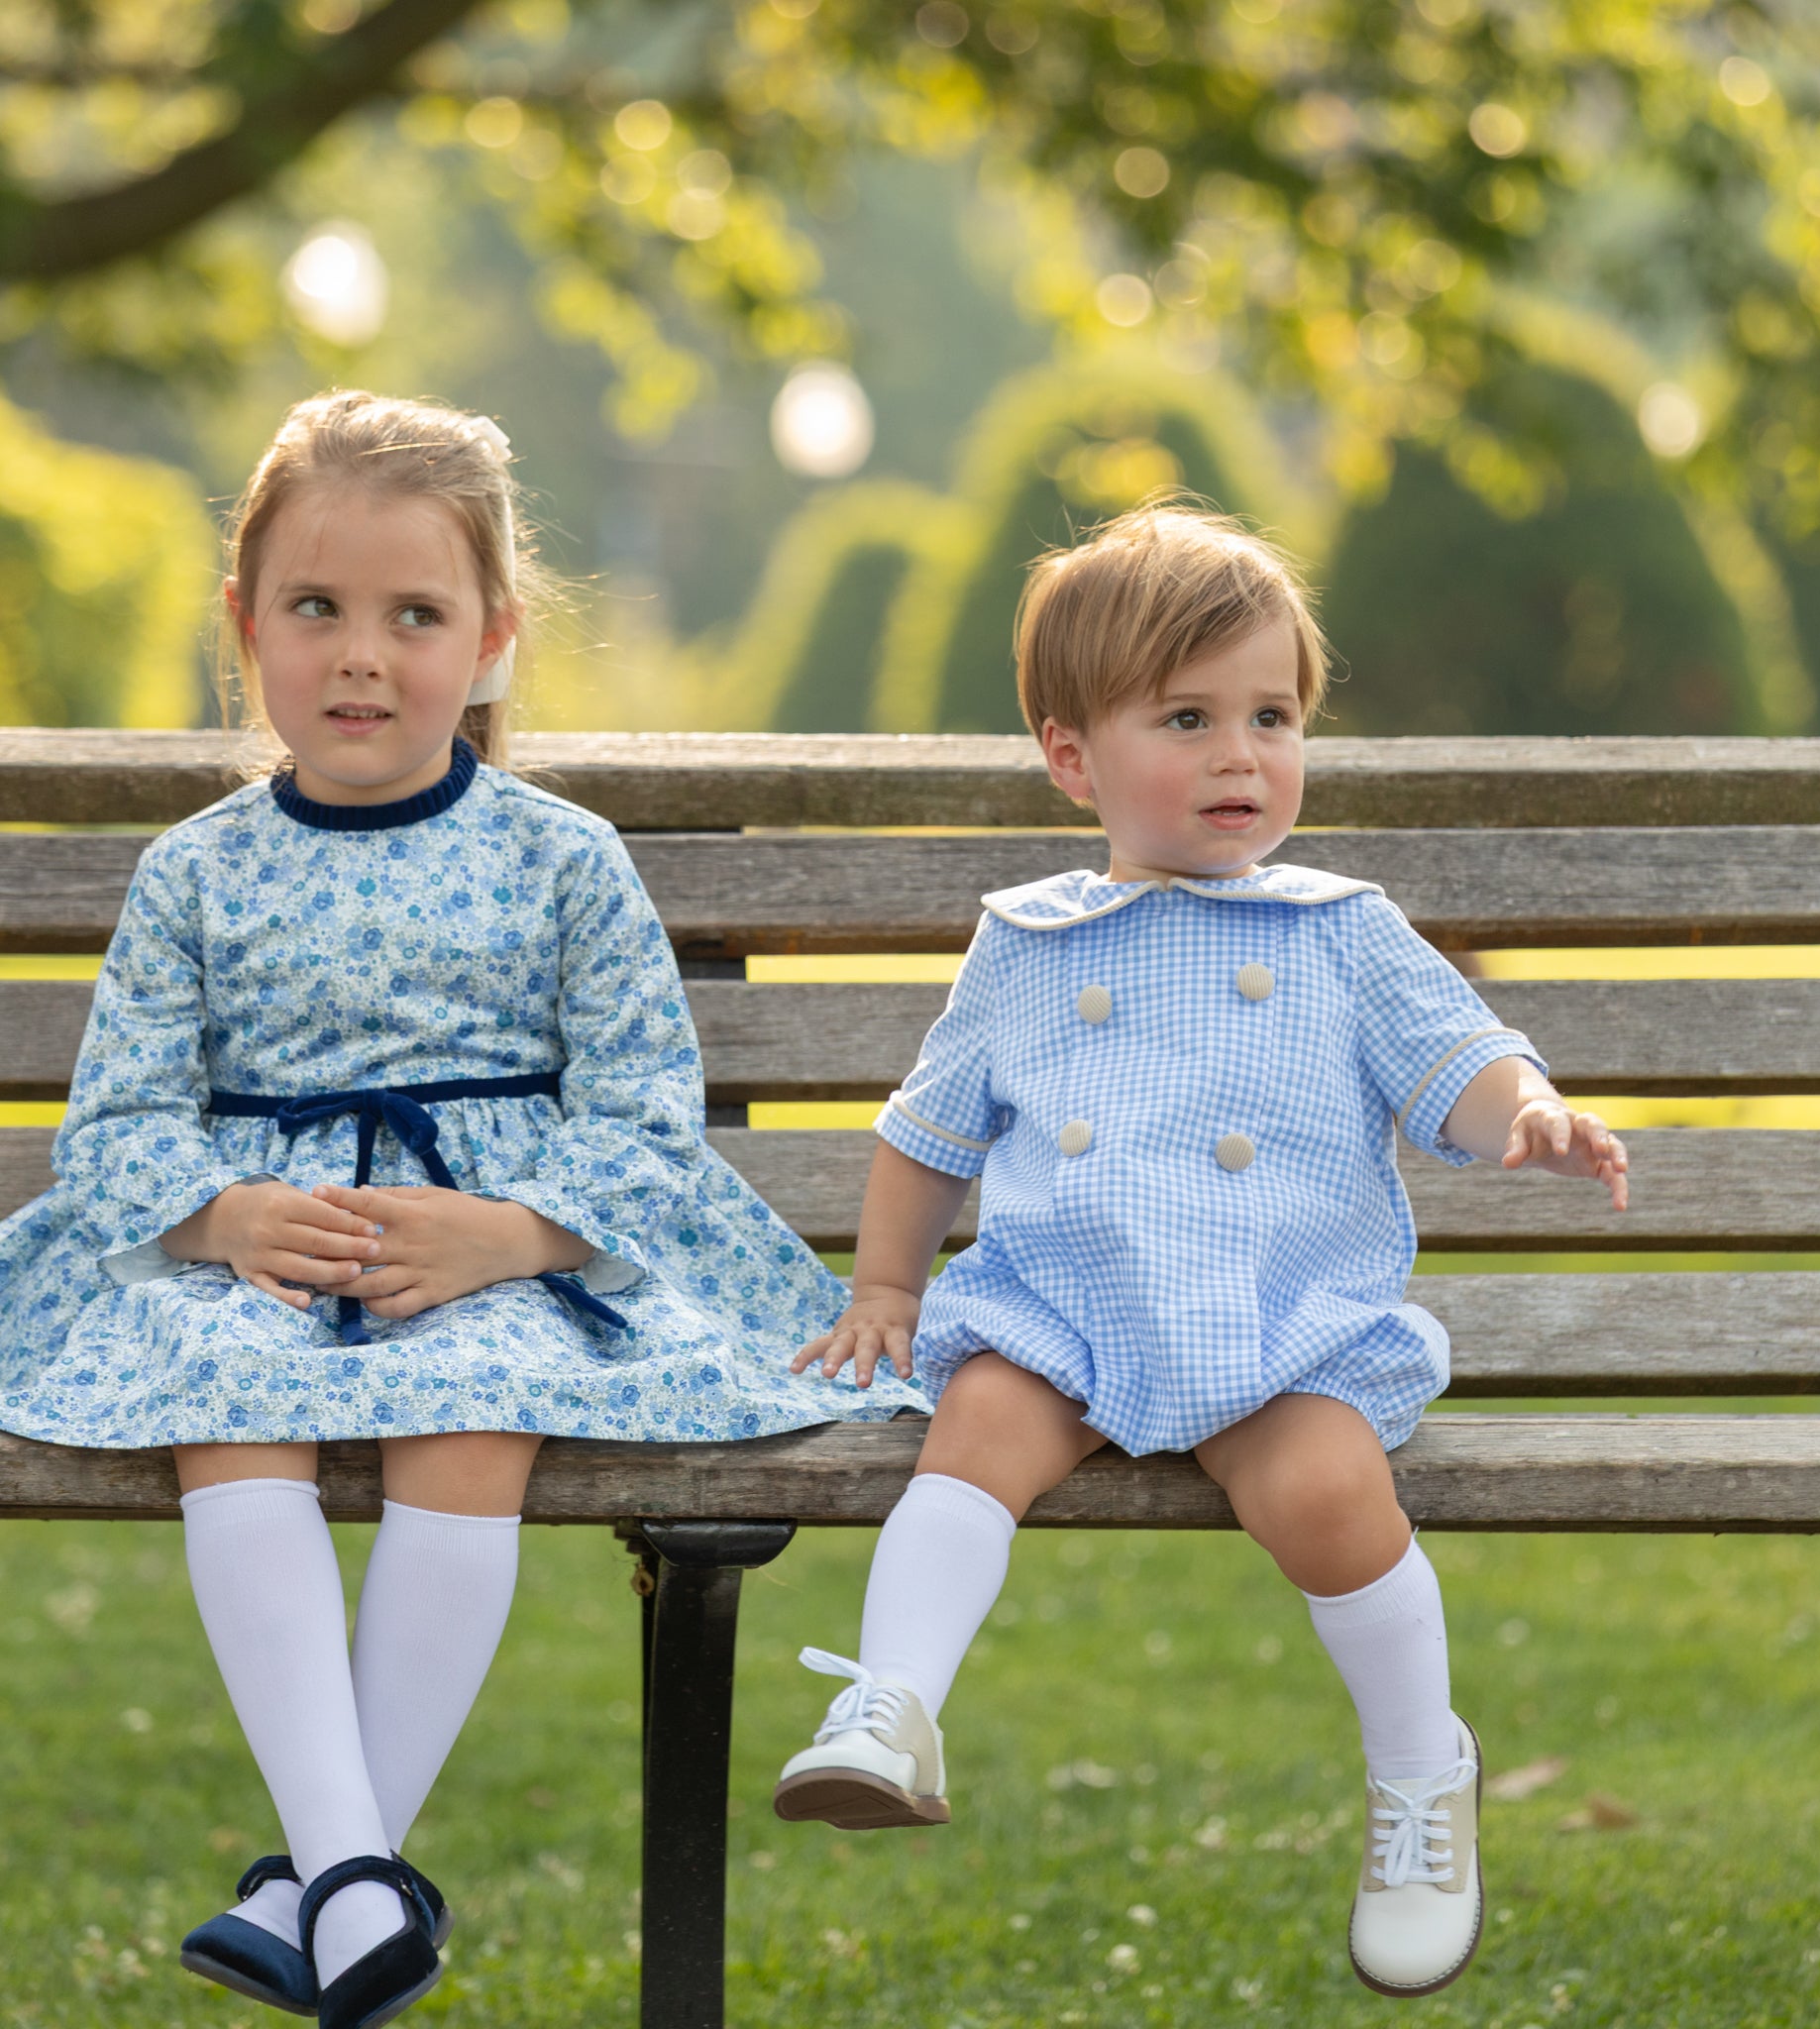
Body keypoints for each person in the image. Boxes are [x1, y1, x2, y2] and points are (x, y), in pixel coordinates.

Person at [0, 389, 922, 2029]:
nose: (362, 656)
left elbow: (643, 1113)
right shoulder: (195, 873)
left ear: (492, 637)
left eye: (414, 616)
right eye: (316, 608)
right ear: (246, 625)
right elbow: (120, 1122)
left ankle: (317, 1887)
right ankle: (356, 1877)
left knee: (477, 1409)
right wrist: (225, 1219)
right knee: (224, 1402)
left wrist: (517, 1235)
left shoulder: (563, 861)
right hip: (258, 1256)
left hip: (501, 1259)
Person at [770, 501, 1628, 1999]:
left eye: (1271, 716)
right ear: (1072, 757)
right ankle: (892, 1705)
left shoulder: (1340, 930)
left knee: (1324, 1490)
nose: (1242, 754)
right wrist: (888, 1287)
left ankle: (1420, 1772)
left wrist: (1529, 1112)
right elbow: (929, 1130)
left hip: (1271, 1323)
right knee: (972, 1436)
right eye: (1188, 718)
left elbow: (1459, 1056)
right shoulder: (1028, 942)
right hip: (1065, 1315)